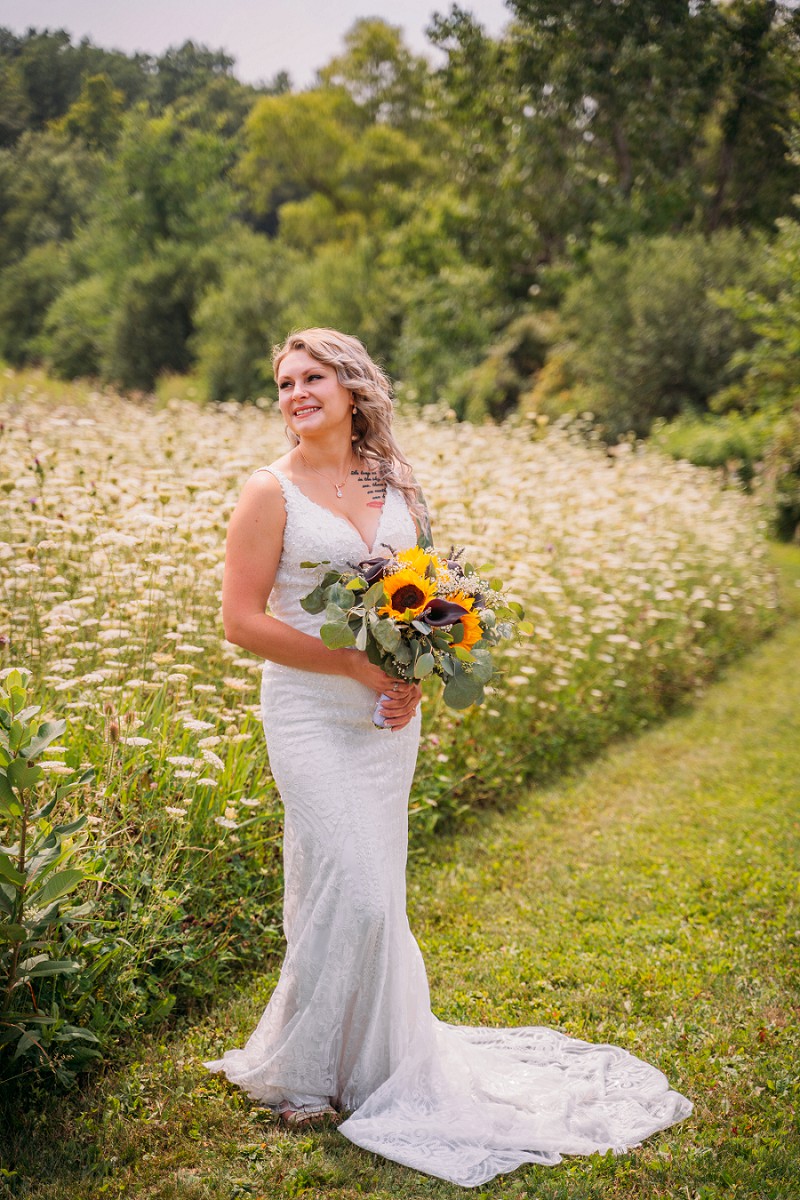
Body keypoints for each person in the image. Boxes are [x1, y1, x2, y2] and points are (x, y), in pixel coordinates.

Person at [204, 328, 692, 1187]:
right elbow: (240, 621)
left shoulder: (397, 483)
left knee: (365, 886)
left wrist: (415, 679)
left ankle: (362, 1064)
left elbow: (424, 597)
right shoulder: (267, 492)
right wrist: (352, 665)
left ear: (352, 388)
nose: (295, 395)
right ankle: (300, 1074)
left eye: (312, 378)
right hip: (311, 714)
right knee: (347, 885)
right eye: (283, 383)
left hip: (386, 719)